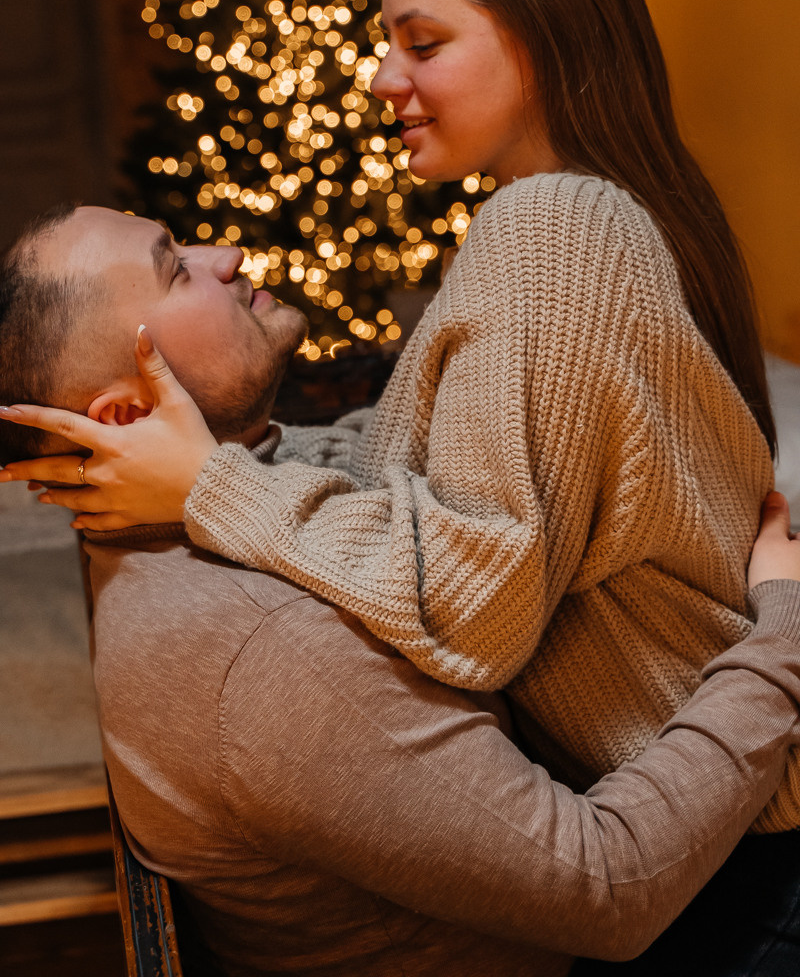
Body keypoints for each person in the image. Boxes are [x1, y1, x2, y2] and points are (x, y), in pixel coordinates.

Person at [1, 204, 800, 976]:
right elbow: (611, 887)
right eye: (175, 271)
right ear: (124, 415)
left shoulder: (165, 520)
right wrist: (783, 633)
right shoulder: (266, 654)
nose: (226, 258)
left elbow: (362, 458)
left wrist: (210, 480)